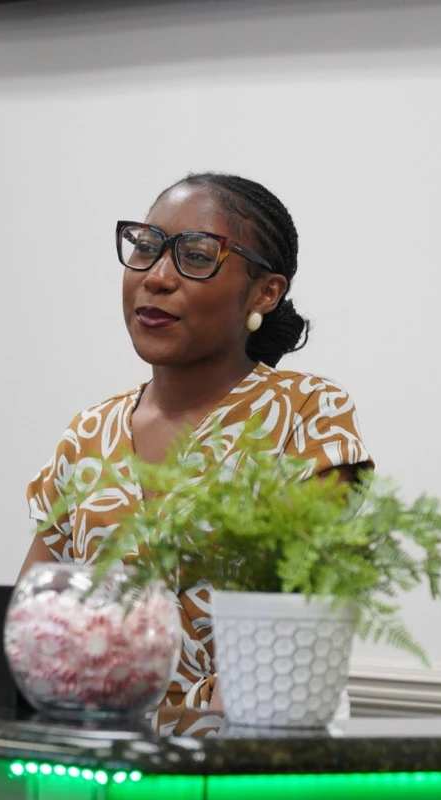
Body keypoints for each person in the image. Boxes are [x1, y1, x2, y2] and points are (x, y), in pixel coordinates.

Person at [21, 173, 373, 711]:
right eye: (145, 248)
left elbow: (296, 625)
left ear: (265, 292)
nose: (157, 277)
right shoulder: (87, 434)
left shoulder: (306, 414)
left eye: (196, 256)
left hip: (244, 760)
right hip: (95, 766)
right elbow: (33, 632)